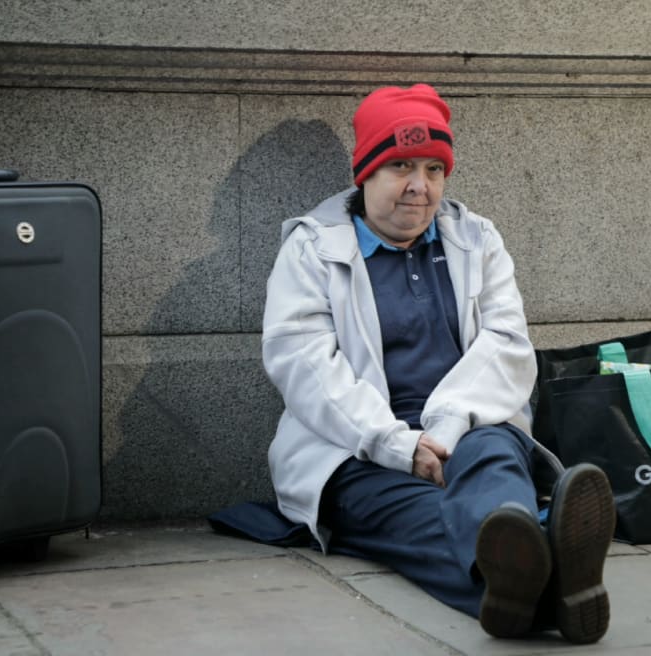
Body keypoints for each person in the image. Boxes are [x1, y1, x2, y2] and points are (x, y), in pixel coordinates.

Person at [261, 83, 616, 642]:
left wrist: (446, 430)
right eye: (400, 166)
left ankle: (523, 578)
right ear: (366, 173)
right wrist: (397, 445)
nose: (419, 187)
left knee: (494, 456)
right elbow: (305, 367)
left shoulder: (477, 239)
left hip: (466, 428)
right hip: (354, 451)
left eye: (433, 168)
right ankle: (551, 578)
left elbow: (506, 345)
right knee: (416, 516)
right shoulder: (311, 249)